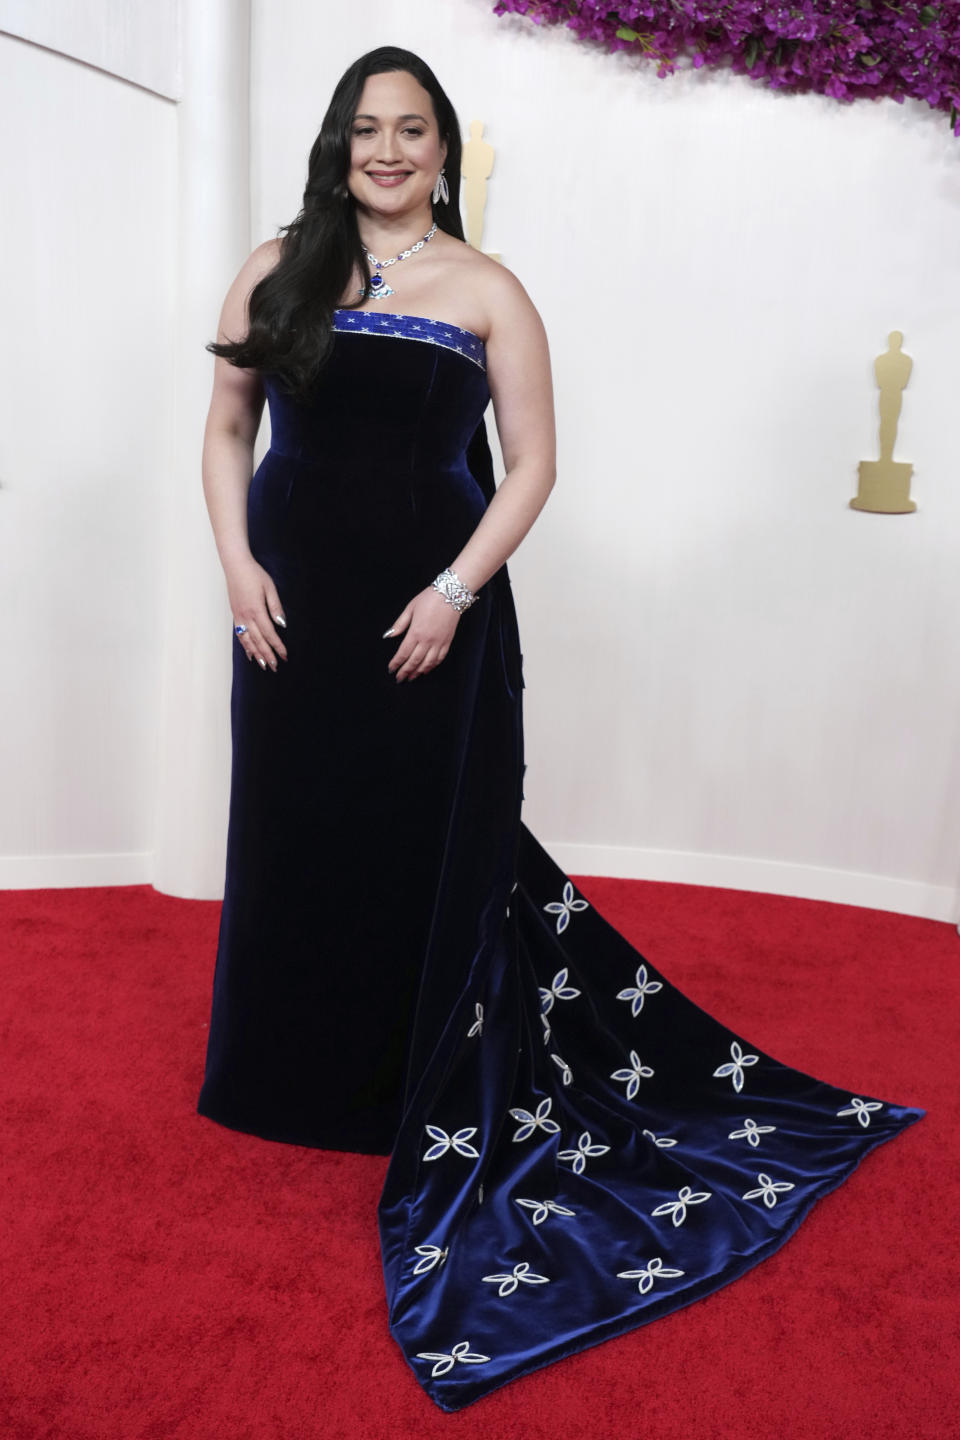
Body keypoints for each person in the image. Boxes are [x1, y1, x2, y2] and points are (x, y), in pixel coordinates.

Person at [196, 45, 924, 1412]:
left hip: (433, 615)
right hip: (288, 604)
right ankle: (276, 1077)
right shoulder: (276, 261)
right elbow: (226, 428)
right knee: (296, 832)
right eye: (369, 129)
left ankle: (394, 1095)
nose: (391, 150)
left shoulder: (489, 289)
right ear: (337, 142)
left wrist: (456, 590)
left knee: (421, 844)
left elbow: (532, 463)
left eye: (414, 129)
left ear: (445, 147)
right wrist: (235, 566)